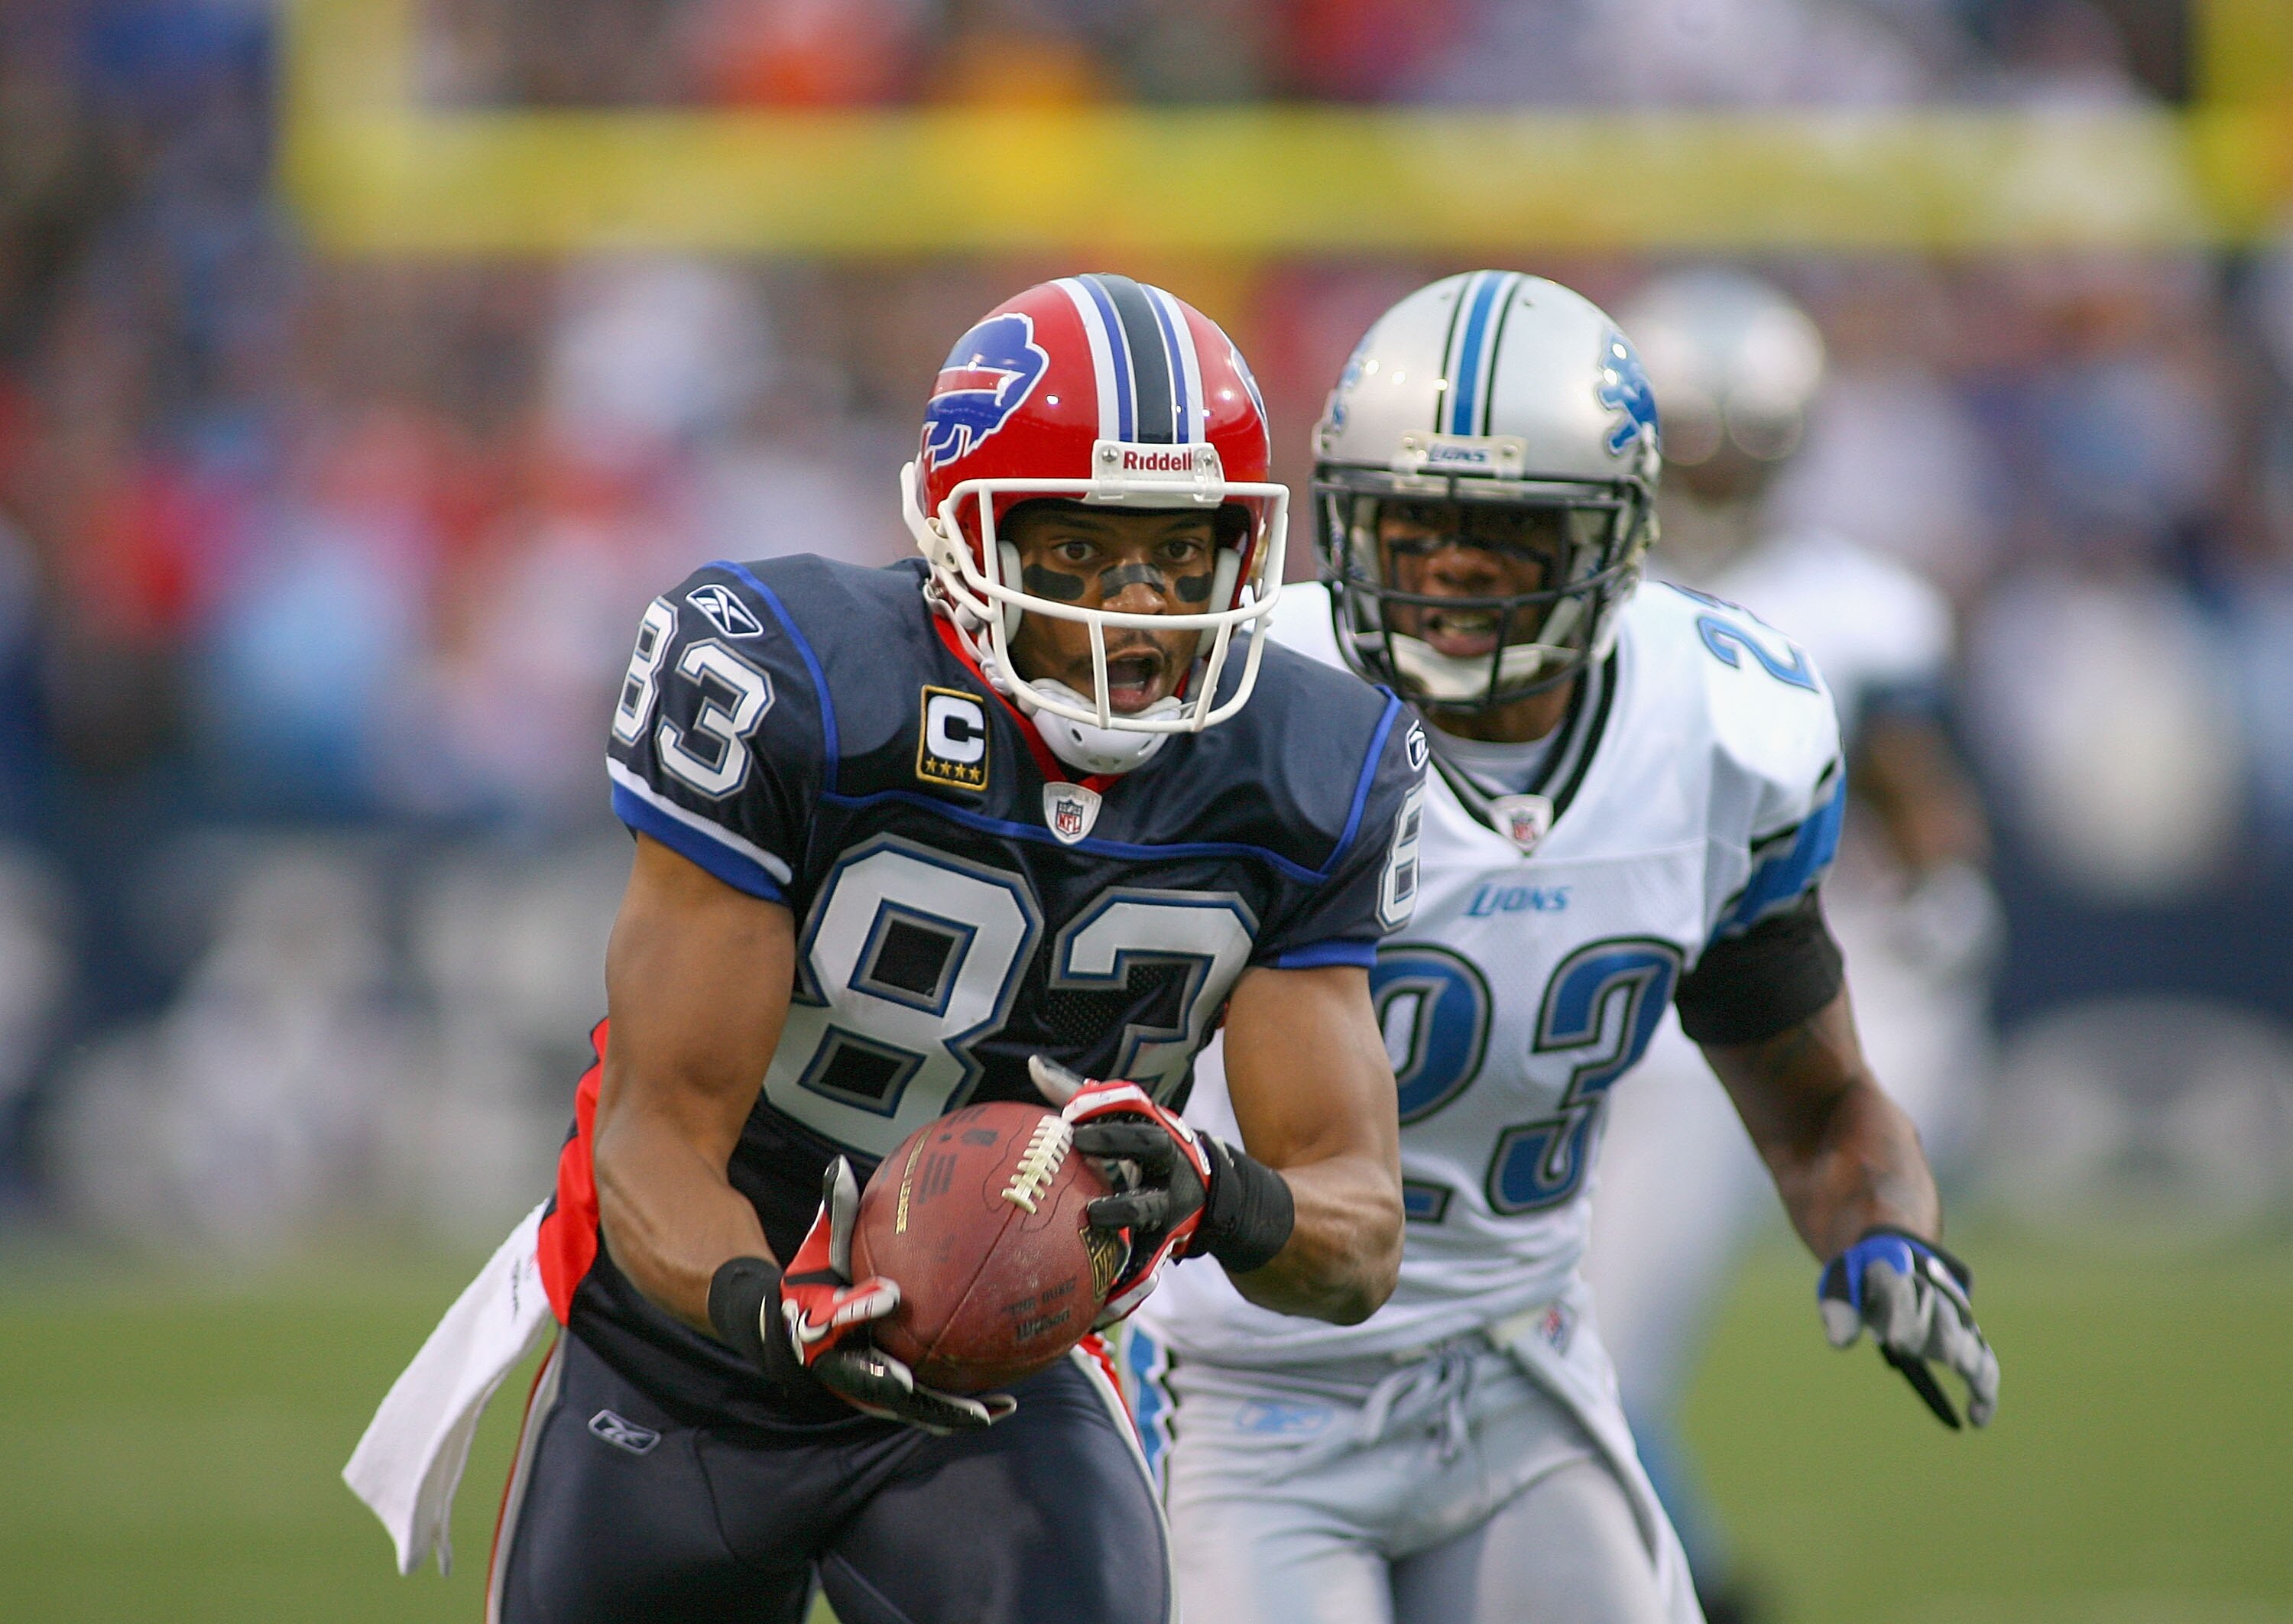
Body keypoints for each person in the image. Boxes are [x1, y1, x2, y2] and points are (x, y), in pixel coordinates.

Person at [346, 274, 1422, 1624]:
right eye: (1079, 548)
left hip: (1000, 1367)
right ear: (967, 537)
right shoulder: (801, 687)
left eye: (1179, 550)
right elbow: (654, 1138)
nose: (1138, 605)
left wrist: (1217, 1194)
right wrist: (771, 1308)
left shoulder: (1307, 766)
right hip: (686, 1346)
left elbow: (1358, 1230)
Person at [1128, 270, 1999, 1624]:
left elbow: (1820, 1104)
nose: (1452, 567)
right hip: (1237, 1383)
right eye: (1415, 523)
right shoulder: (1237, 701)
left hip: (1516, 1367)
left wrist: (1886, 1231)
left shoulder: (1722, 723)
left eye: (1509, 529)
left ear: (1620, 532)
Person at [1585, 269, 2000, 1620]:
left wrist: (1942, 882)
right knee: (1541, 1351)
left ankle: (1699, 1592)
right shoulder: (1577, 584)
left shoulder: (1853, 603)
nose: (1716, 470)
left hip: (1715, 1021)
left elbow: (1915, 789)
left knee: (1585, 1356)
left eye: (1743, 440)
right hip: (1562, 991)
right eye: (1696, 439)